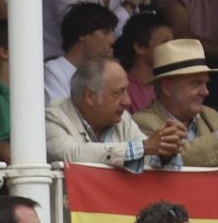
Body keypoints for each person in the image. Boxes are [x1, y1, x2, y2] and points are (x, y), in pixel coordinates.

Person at [47, 57, 187, 168]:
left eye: (126, 91)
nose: (127, 101)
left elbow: (147, 157)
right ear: (90, 96)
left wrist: (165, 152)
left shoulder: (122, 118)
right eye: (117, 93)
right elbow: (72, 155)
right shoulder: (53, 117)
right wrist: (144, 147)